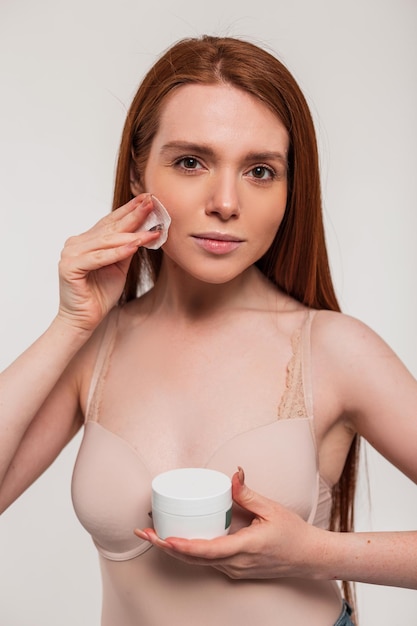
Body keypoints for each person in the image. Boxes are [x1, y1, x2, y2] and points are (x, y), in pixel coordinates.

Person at [0, 35, 416, 626]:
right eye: (191, 161)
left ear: (290, 191)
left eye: (260, 171)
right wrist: (69, 326)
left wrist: (314, 553)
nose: (225, 201)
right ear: (138, 173)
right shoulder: (92, 347)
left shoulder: (334, 349)